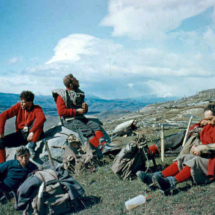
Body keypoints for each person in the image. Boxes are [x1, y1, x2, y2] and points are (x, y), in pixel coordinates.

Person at [137, 103, 215, 194]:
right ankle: (155, 178)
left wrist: (202, 148)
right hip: (210, 156)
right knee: (184, 158)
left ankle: (170, 183)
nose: (208, 122)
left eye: (210, 119)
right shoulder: (210, 126)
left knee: (195, 161)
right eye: (207, 119)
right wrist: (197, 147)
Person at [52, 74, 112, 154]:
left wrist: (85, 108)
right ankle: (101, 148)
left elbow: (82, 111)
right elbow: (61, 112)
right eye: (75, 80)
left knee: (95, 125)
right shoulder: (62, 96)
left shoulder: (78, 94)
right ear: (71, 84)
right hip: (69, 120)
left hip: (79, 117)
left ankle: (105, 144)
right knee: (87, 130)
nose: (77, 81)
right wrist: (76, 111)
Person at [0, 91, 46, 161]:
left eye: (23, 102)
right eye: (21, 101)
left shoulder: (37, 108)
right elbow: (3, 116)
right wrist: (1, 133)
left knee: (39, 123)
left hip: (34, 135)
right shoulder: (18, 107)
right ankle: (2, 165)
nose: (21, 103)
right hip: (21, 135)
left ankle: (31, 146)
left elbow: (42, 118)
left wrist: (32, 131)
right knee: (0, 142)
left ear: (30, 102)